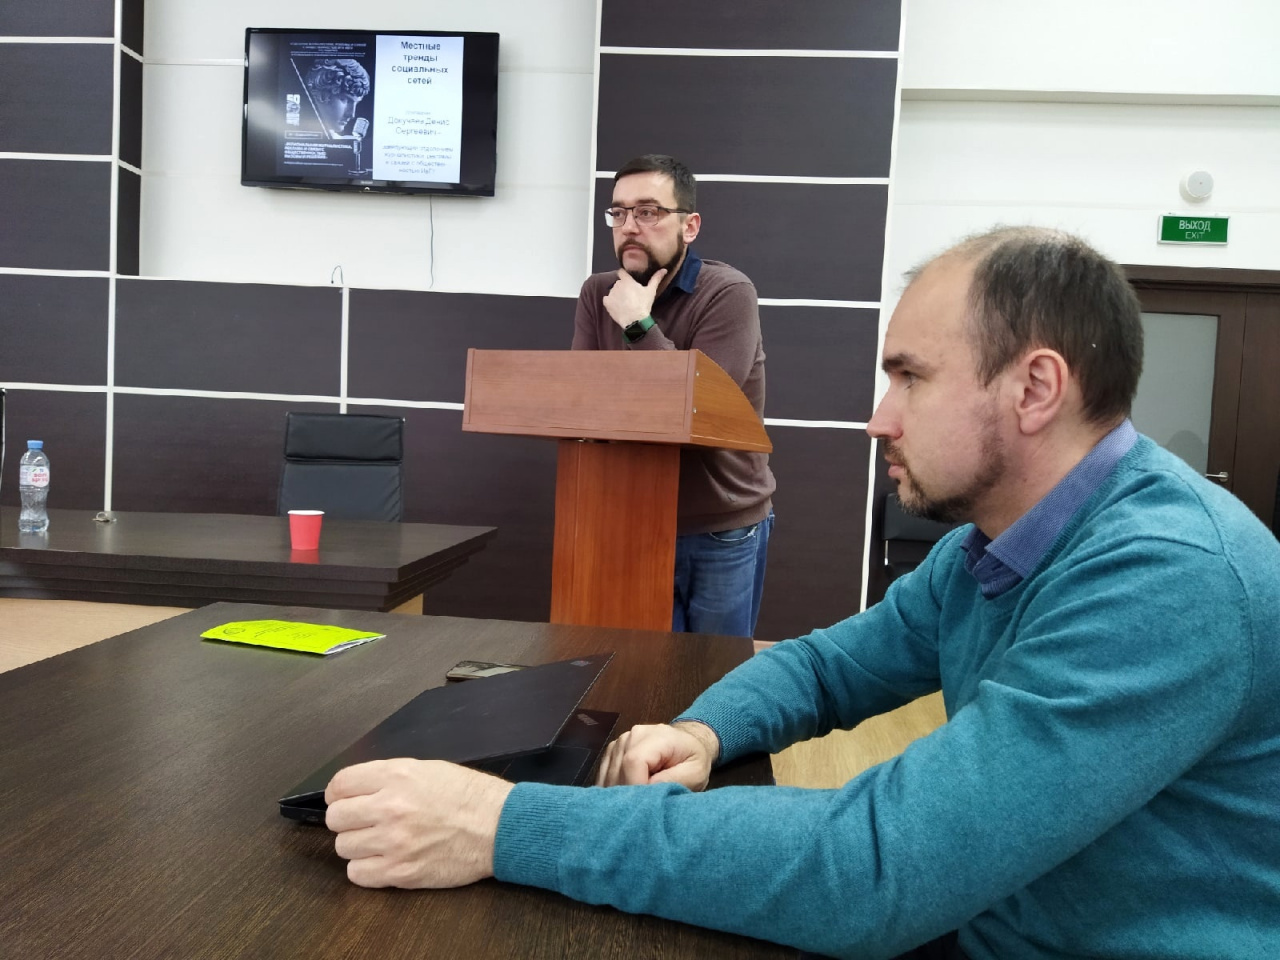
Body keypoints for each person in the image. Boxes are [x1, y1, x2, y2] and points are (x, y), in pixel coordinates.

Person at [323, 227, 1280, 959]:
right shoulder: (991, 548)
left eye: (909, 379)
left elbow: (880, 869)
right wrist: (706, 731)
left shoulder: (1171, 576)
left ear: (1035, 389)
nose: (879, 419)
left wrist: (498, 825)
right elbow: (826, 668)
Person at [570, 154, 776, 638]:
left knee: (712, 672)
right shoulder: (598, 293)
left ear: (690, 225)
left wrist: (637, 325)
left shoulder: (727, 292)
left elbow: (698, 408)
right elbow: (582, 404)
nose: (629, 226)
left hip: (720, 525)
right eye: (619, 212)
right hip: (631, 517)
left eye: (648, 212)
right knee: (641, 668)